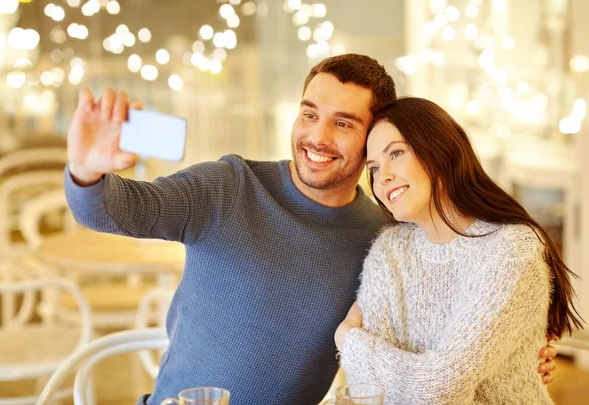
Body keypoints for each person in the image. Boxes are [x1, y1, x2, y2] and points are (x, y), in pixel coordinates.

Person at [63, 55, 556, 405]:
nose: (317, 137)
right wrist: (87, 172)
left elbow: (436, 327)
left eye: (343, 123)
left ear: (371, 139)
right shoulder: (229, 184)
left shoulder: (382, 234)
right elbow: (118, 209)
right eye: (309, 113)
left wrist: (511, 357)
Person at [334, 97, 583, 404]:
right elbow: (367, 391)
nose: (381, 176)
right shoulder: (389, 251)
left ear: (439, 150)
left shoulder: (511, 250)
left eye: (396, 153)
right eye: (373, 167)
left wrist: (349, 341)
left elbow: (440, 389)